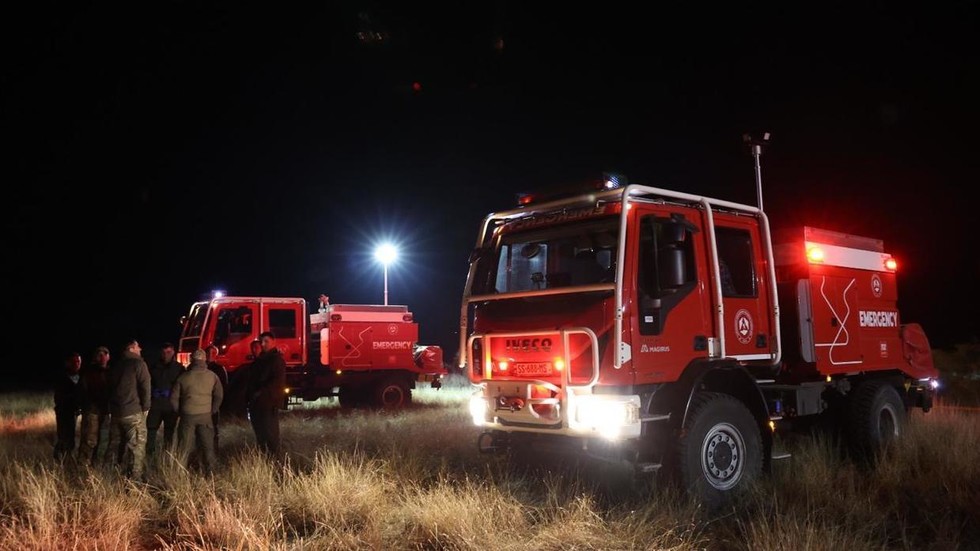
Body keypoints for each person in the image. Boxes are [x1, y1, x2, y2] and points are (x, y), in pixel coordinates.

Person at [171, 349, 223, 474]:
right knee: (208, 447)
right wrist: (213, 410)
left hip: (187, 415)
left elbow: (173, 398)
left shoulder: (183, 377)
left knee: (184, 448)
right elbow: (219, 395)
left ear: (191, 360)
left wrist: (180, 412)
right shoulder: (212, 376)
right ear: (204, 360)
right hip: (205, 416)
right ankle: (210, 474)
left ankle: (180, 473)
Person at [107, 340, 151, 479]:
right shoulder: (139, 364)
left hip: (116, 413)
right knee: (136, 448)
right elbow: (146, 388)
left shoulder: (116, 365)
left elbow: (109, 388)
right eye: (138, 346)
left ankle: (110, 475)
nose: (140, 348)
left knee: (114, 444)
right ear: (131, 349)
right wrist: (146, 407)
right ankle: (134, 482)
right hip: (133, 412)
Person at [247, 331, 286, 457]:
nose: (263, 344)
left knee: (270, 435)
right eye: (262, 342)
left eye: (266, 341)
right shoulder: (261, 359)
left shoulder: (276, 359)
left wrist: (259, 392)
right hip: (258, 403)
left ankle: (274, 459)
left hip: (269, 403)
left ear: (273, 342)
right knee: (261, 434)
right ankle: (264, 457)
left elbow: (276, 382)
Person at [146, 342, 182, 457]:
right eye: (164, 352)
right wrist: (152, 392)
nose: (166, 355)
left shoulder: (179, 368)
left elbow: (182, 387)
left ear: (173, 352)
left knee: (169, 432)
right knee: (151, 430)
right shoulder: (153, 367)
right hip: (156, 405)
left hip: (170, 406)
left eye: (168, 352)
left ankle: (166, 456)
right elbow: (147, 383)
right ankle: (149, 455)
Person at [78, 346, 112, 465]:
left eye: (105, 354)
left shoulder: (111, 372)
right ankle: (83, 466)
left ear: (109, 357)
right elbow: (82, 391)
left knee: (104, 440)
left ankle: (96, 465)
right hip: (92, 411)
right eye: (99, 354)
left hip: (106, 411)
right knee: (89, 440)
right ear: (95, 357)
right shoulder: (88, 372)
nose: (102, 357)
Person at [53, 352, 84, 460]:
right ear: (68, 363)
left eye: (79, 362)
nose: (77, 364)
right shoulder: (62, 377)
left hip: (74, 411)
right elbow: (59, 397)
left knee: (70, 435)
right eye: (74, 362)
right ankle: (61, 455)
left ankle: (66, 456)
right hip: (63, 411)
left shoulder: (81, 377)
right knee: (64, 435)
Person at [224, 339, 260, 420]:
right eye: (253, 348)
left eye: (256, 347)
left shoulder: (264, 365)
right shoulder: (247, 367)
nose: (254, 350)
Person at [204, 345, 229, 449]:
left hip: (213, 403)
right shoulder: (201, 368)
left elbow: (224, 387)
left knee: (213, 427)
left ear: (217, 355)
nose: (211, 355)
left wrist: (218, 403)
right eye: (209, 353)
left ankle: (214, 449)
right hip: (202, 402)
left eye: (213, 353)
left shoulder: (220, 369)